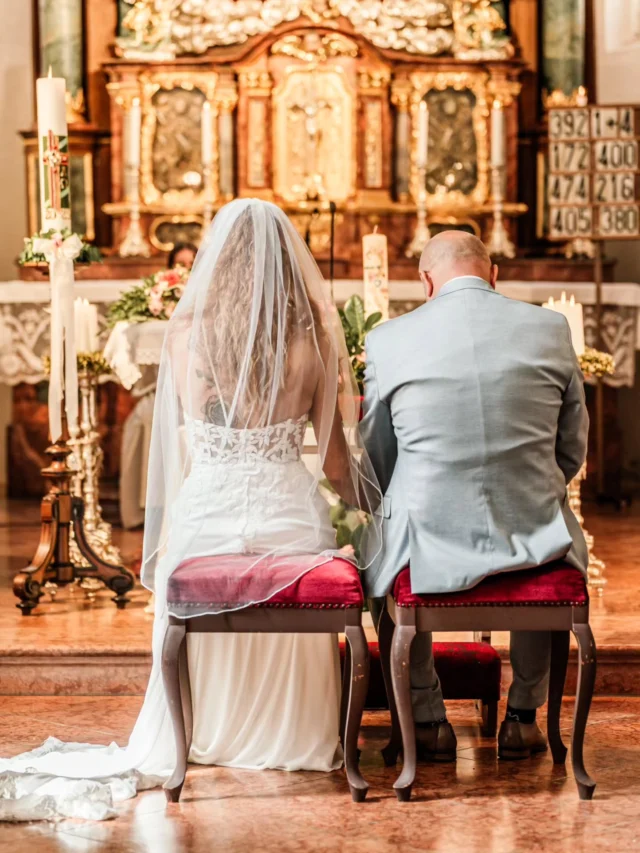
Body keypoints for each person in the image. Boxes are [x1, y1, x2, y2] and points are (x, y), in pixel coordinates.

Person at [0, 200, 380, 821]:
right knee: (322, 550)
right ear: (289, 262)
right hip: (289, 517)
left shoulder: (186, 334)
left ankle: (194, 737)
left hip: (206, 515)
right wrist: (379, 506)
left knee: (191, 558)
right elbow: (337, 467)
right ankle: (298, 739)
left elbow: (182, 445)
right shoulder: (312, 336)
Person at [360, 230, 588, 762]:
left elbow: (376, 452)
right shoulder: (550, 327)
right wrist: (529, 487)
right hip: (533, 527)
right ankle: (524, 717)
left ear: (425, 282)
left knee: (377, 551)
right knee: (547, 536)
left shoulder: (390, 338)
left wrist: (410, 494)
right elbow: (572, 445)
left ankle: (428, 716)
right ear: (493, 274)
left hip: (426, 532)